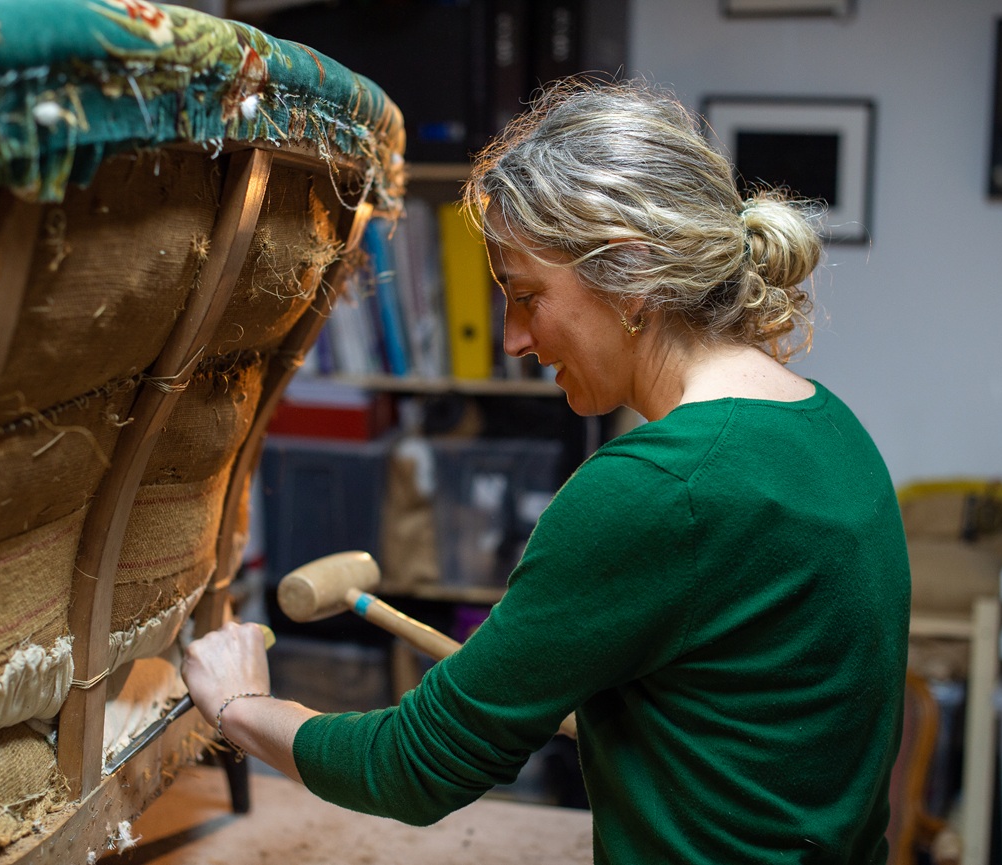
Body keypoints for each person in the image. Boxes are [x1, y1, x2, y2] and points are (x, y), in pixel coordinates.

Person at [182, 78, 910, 864]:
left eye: (527, 296)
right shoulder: (834, 430)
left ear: (630, 273)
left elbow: (409, 768)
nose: (514, 340)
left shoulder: (659, 490)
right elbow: (758, 728)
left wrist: (240, 705)